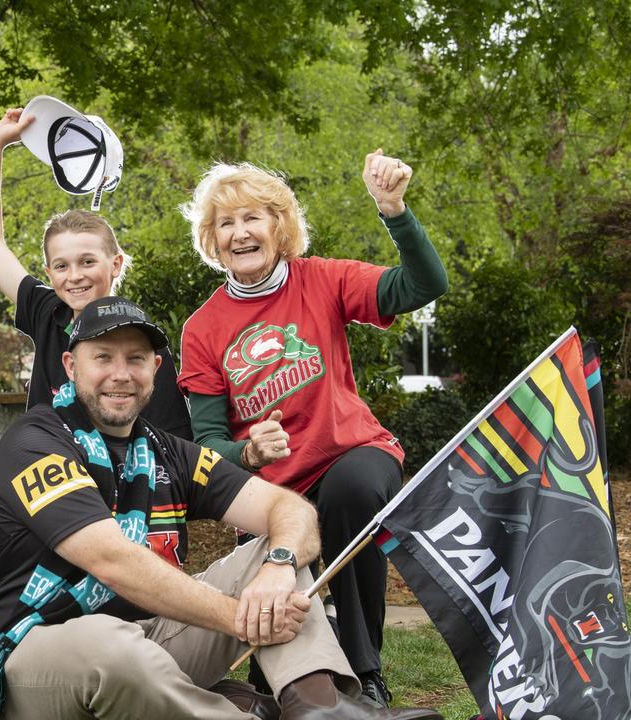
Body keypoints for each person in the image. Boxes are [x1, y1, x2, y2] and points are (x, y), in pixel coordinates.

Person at [0, 295, 443, 720]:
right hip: (29, 657)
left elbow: (289, 509)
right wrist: (241, 618)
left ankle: (318, 708)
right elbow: (112, 561)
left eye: (136, 358)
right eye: (102, 357)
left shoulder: (164, 450)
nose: (120, 374)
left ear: (156, 368)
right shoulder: (36, 441)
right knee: (109, 646)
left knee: (271, 551)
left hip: (145, 641)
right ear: (71, 366)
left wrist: (277, 566)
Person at [176, 151, 449, 706]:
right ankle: (289, 679)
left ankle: (365, 671)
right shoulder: (202, 329)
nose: (240, 232)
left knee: (353, 492)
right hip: (272, 483)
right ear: (212, 240)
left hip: (351, 451)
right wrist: (248, 453)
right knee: (274, 563)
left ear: (279, 227)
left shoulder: (321, 279)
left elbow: (424, 285)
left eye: (252, 218)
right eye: (225, 223)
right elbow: (207, 448)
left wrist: (393, 210)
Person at [0, 107, 191, 439]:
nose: (75, 276)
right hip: (47, 474)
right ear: (49, 272)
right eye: (61, 266)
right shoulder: (47, 312)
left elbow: (174, 442)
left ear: (115, 264)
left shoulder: (141, 339)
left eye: (87, 262)